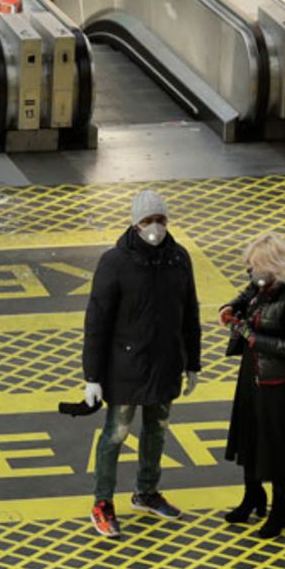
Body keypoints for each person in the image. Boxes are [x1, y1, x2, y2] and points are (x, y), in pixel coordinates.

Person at [83, 189, 201, 538]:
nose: (155, 227)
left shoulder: (179, 259)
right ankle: (102, 502)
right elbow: (97, 321)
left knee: (157, 431)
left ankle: (146, 492)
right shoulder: (114, 263)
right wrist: (92, 375)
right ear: (135, 224)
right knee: (116, 434)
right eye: (148, 221)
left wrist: (192, 362)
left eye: (160, 220)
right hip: (126, 368)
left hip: (165, 364)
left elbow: (189, 313)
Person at [218, 233, 285, 539]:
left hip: (280, 382)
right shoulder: (266, 284)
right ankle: (252, 496)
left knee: (276, 446)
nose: (252, 274)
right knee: (248, 434)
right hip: (254, 371)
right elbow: (248, 292)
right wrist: (231, 307)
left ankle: (280, 508)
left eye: (256, 268)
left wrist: (250, 336)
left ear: (274, 268)